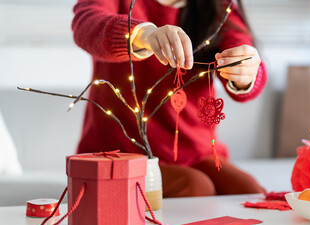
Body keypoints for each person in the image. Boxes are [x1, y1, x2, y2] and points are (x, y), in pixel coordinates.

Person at [72, 0, 267, 197]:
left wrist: (245, 73)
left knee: (250, 193)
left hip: (196, 152)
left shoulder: (218, 6)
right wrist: (143, 34)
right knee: (196, 188)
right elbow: (86, 24)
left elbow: (243, 53)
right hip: (120, 152)